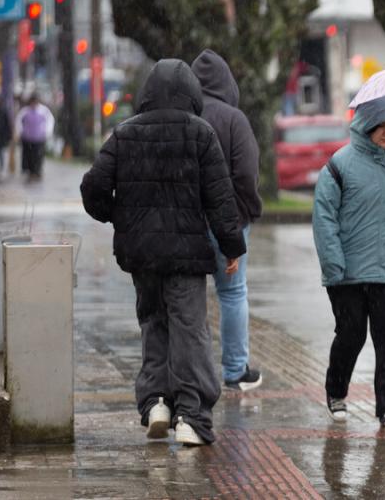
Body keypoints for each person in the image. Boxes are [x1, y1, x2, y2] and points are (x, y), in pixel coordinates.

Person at [81, 59, 246, 447]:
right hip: (187, 254)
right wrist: (232, 246)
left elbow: (92, 189)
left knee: (153, 322)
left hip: (141, 254)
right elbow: (221, 200)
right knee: (189, 330)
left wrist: (121, 216)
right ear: (192, 94)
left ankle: (156, 401)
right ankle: (192, 415)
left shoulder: (124, 134)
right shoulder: (200, 134)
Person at [312, 95, 385, 428]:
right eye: (383, 126)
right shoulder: (338, 165)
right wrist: (334, 265)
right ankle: (336, 390)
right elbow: (324, 218)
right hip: (347, 273)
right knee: (351, 333)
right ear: (366, 125)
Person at [191, 49, 264, 392]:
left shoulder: (184, 114)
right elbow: (246, 174)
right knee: (232, 293)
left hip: (188, 221)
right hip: (229, 221)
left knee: (188, 297)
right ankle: (235, 370)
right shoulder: (234, 119)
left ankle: (192, 371)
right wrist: (248, 212)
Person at [14, 93, 54, 180]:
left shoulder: (44, 110)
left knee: (38, 156)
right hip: (27, 138)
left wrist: (47, 132)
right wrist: (20, 131)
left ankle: (37, 171)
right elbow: (18, 121)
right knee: (29, 156)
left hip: (39, 138)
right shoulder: (25, 111)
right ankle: (30, 171)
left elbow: (50, 121)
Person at [0, 100, 11, 176]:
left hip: (2, 137)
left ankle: (2, 168)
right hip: (1, 136)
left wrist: (9, 136)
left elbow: (7, 125)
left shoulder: (4, 111)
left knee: (2, 152)